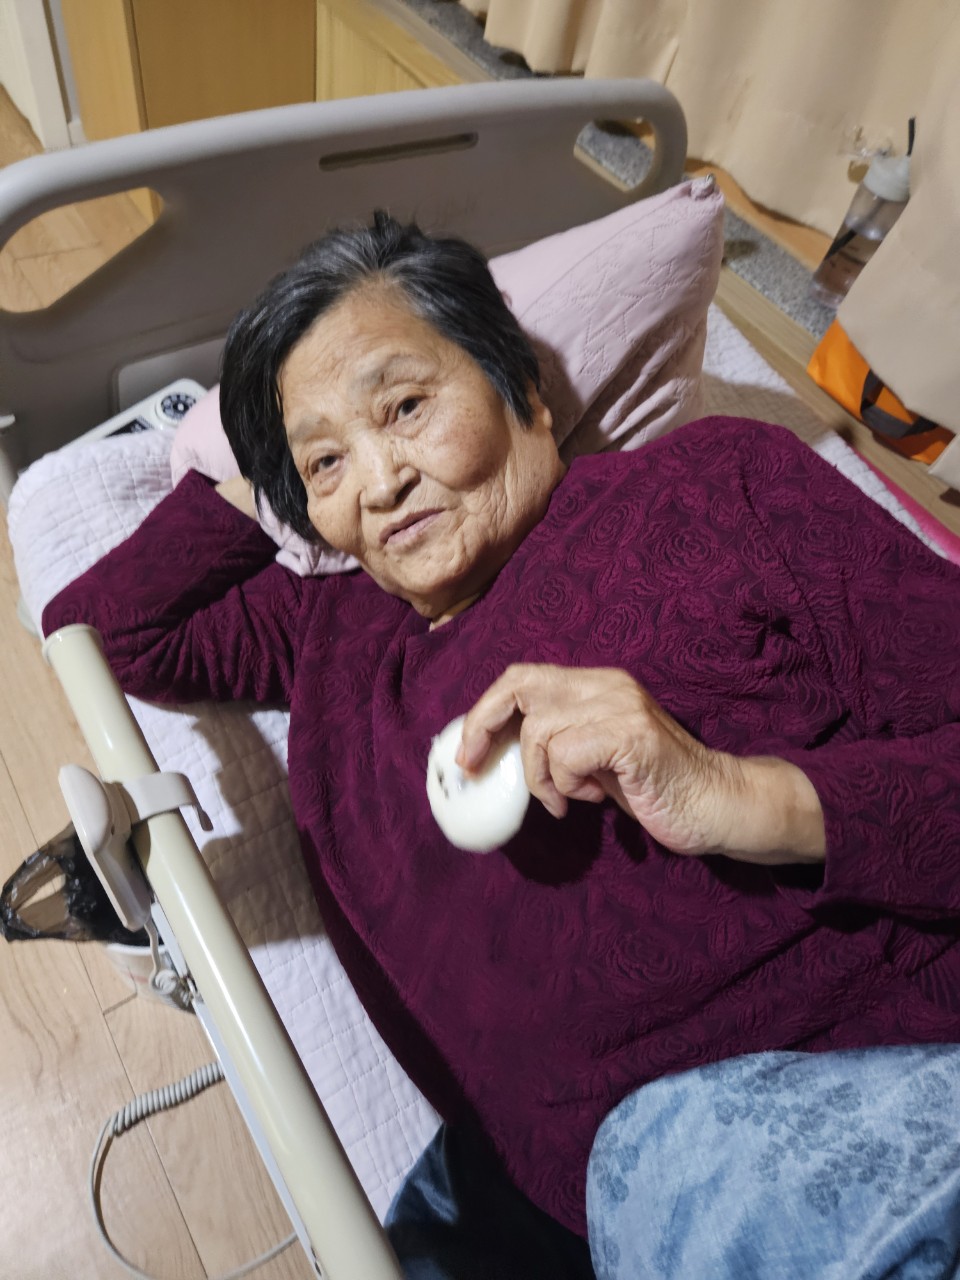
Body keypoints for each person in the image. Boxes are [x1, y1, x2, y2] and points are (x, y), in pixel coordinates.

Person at [43, 212, 960, 1275]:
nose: (380, 480)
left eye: (407, 407)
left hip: (855, 1087)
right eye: (327, 462)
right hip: (550, 1199)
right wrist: (254, 452)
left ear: (523, 389)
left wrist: (740, 795)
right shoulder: (328, 638)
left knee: (669, 1153)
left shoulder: (714, 487)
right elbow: (100, 631)